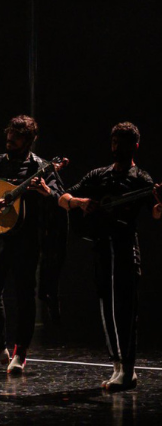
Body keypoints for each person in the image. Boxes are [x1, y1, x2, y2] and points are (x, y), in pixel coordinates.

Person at [58, 122, 161, 391]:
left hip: (126, 249)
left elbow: (156, 211)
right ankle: (117, 366)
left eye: (123, 143)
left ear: (134, 146)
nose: (117, 148)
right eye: (114, 142)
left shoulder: (142, 179)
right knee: (107, 308)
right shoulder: (99, 174)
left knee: (124, 310)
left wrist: (160, 205)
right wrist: (80, 203)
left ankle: (128, 370)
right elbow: (66, 195)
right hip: (102, 247)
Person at [0, 115, 61, 374]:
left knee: (24, 296)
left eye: (16, 137)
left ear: (28, 140)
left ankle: (20, 353)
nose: (10, 140)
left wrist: (47, 192)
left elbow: (60, 198)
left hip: (26, 240)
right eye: (9, 135)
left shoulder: (42, 168)